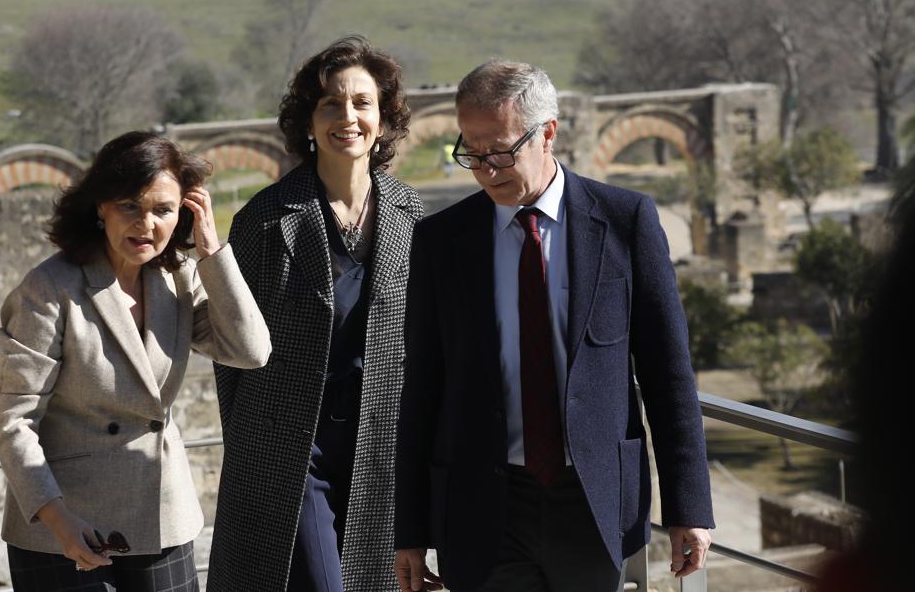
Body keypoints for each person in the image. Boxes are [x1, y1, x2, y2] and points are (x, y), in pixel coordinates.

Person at [394, 60, 714, 592]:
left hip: (593, 504)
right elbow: (422, 389)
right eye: (469, 152)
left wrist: (690, 506)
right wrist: (410, 529)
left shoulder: (626, 221)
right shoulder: (440, 242)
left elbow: (668, 375)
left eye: (499, 151)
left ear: (548, 133)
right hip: (482, 509)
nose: (484, 168)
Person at [0, 131, 270, 591]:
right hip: (63, 526)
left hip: (160, 516)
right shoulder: (50, 287)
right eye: (130, 207)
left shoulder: (180, 277)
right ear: (101, 207)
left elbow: (250, 350)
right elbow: (12, 419)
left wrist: (212, 252)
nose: (147, 225)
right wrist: (57, 519)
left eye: (163, 210)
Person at [209, 36, 425, 592]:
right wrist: (251, 451)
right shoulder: (263, 219)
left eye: (361, 103)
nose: (347, 116)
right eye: (330, 103)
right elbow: (232, 351)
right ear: (308, 121)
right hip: (291, 455)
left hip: (379, 453)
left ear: (383, 119)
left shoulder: (413, 217)